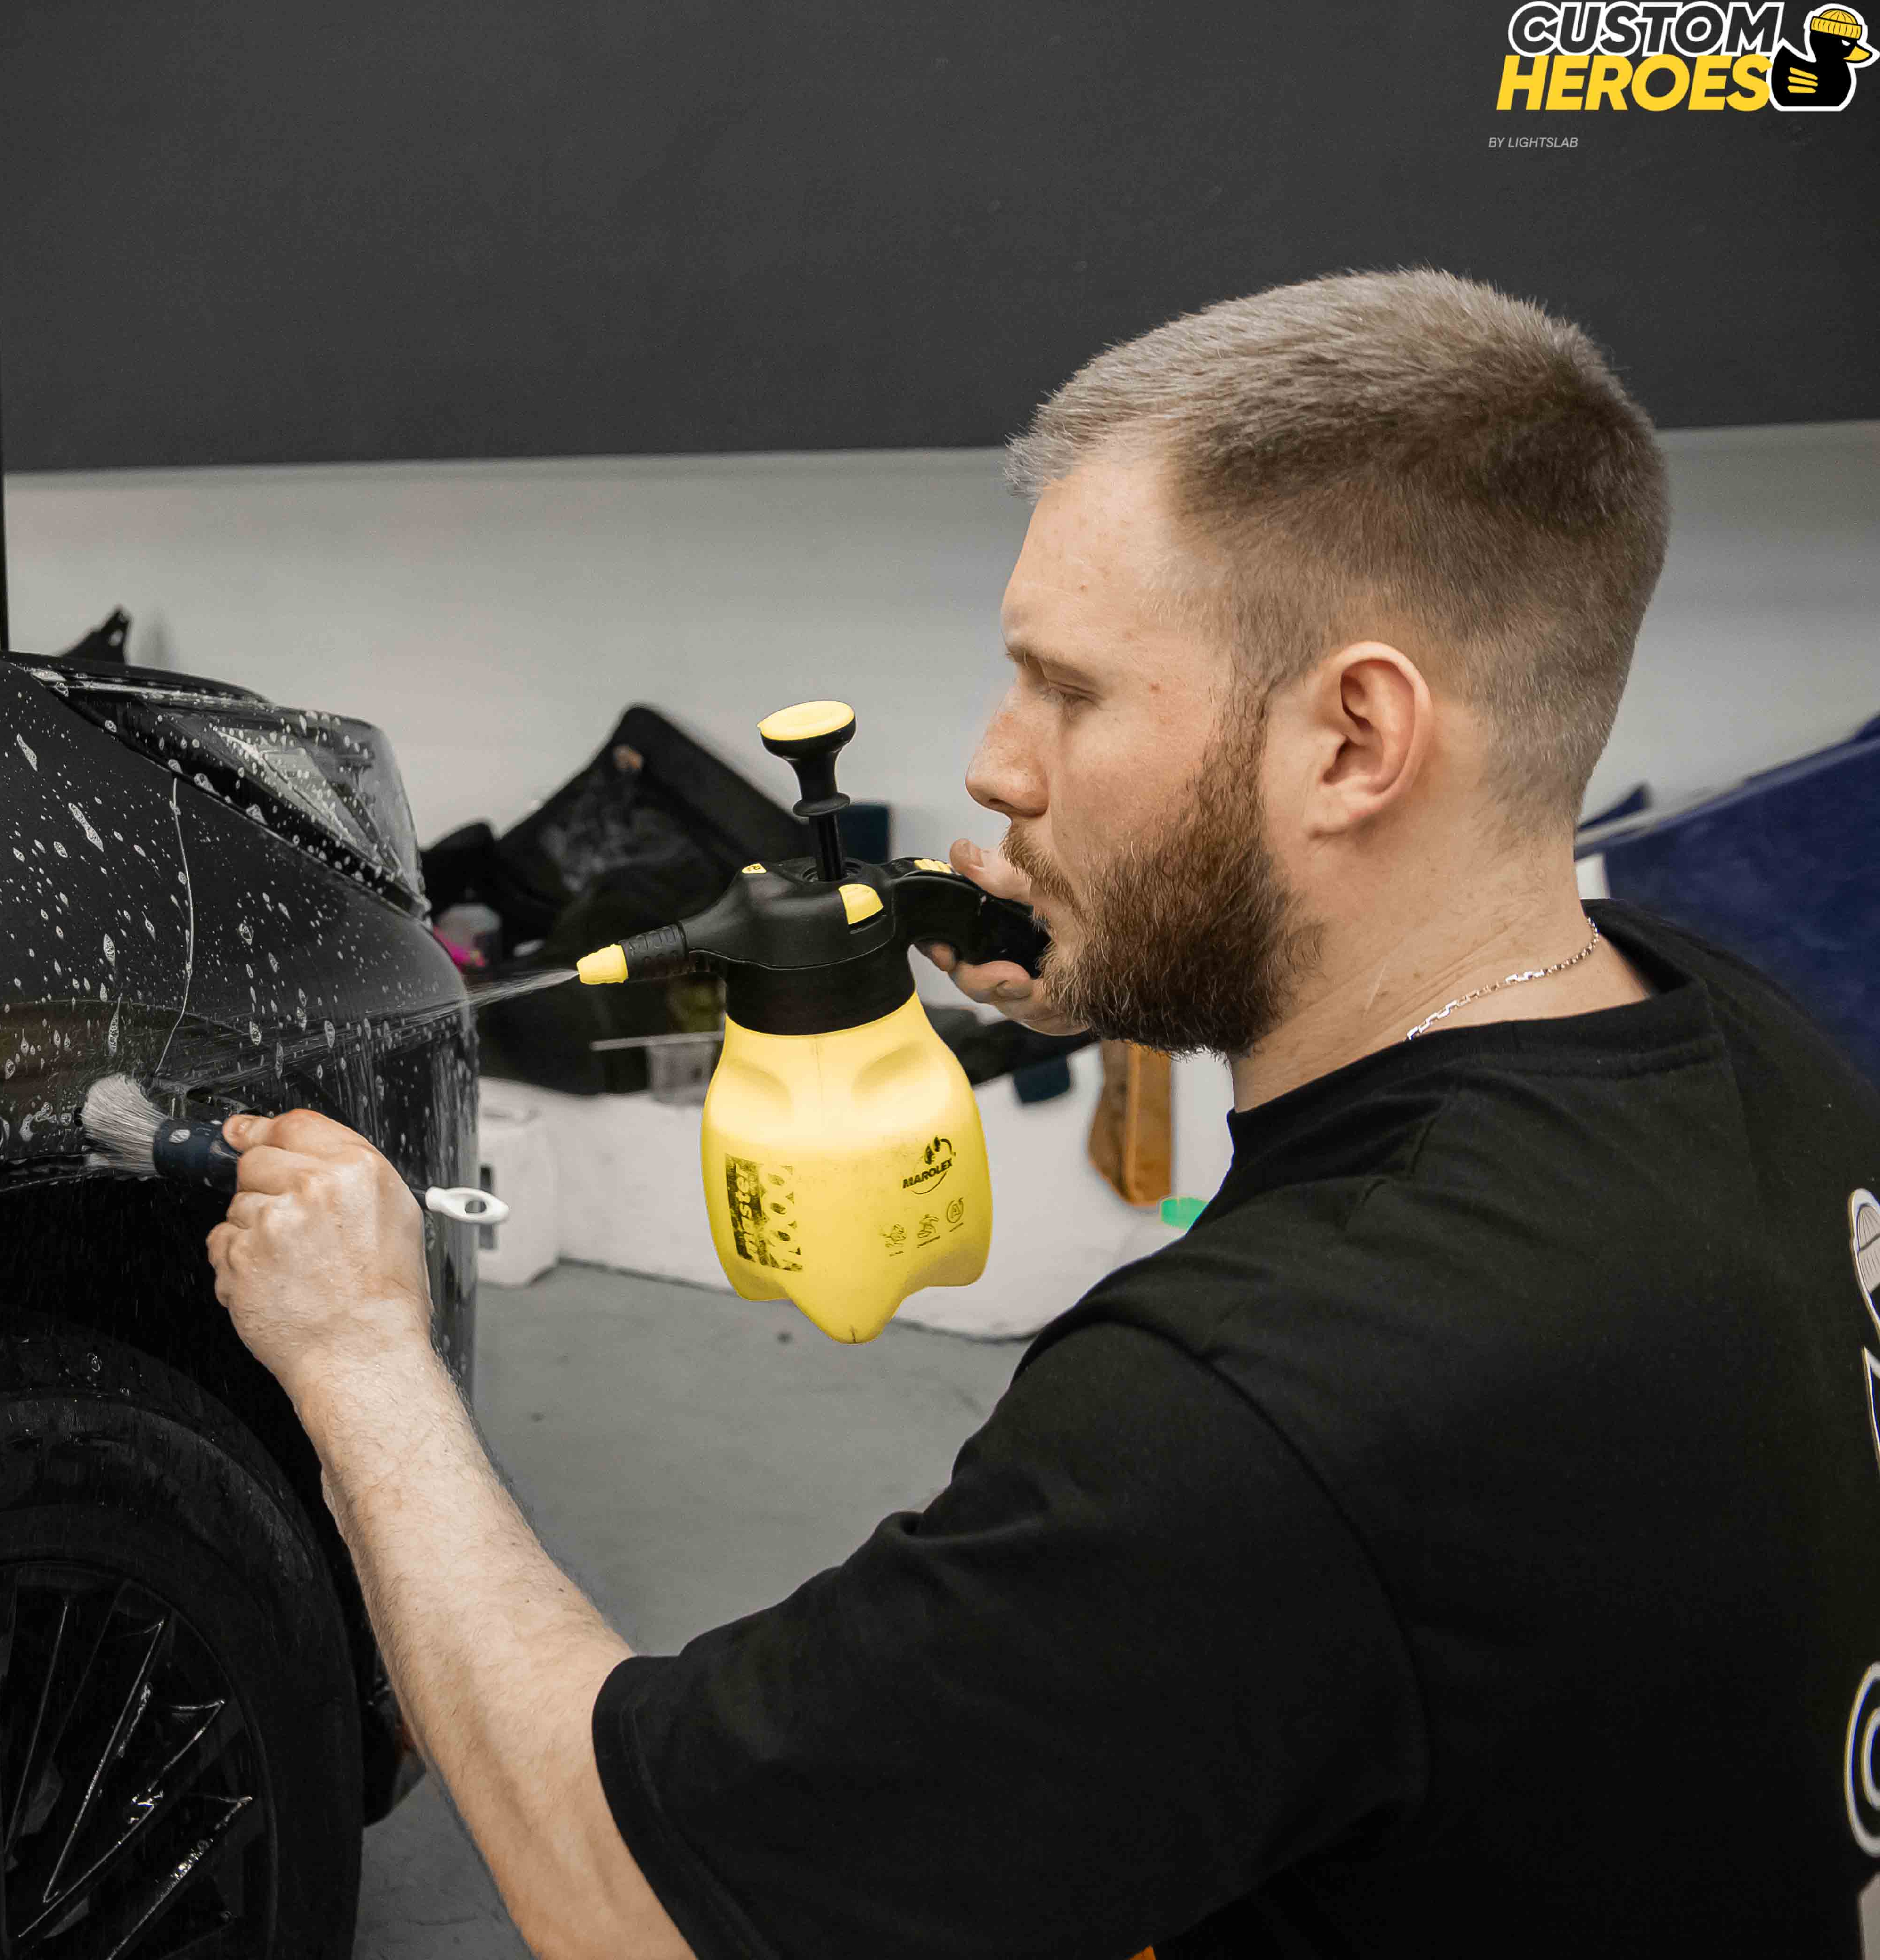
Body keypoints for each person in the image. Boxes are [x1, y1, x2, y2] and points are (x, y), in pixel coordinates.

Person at [203, 270, 1880, 1957]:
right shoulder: (1745, 1036)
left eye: (1068, 692)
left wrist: (363, 1360)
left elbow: (625, 1896)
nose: (999, 767)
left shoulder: (1263, 1416)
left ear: (1355, 741)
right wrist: (1146, 958)